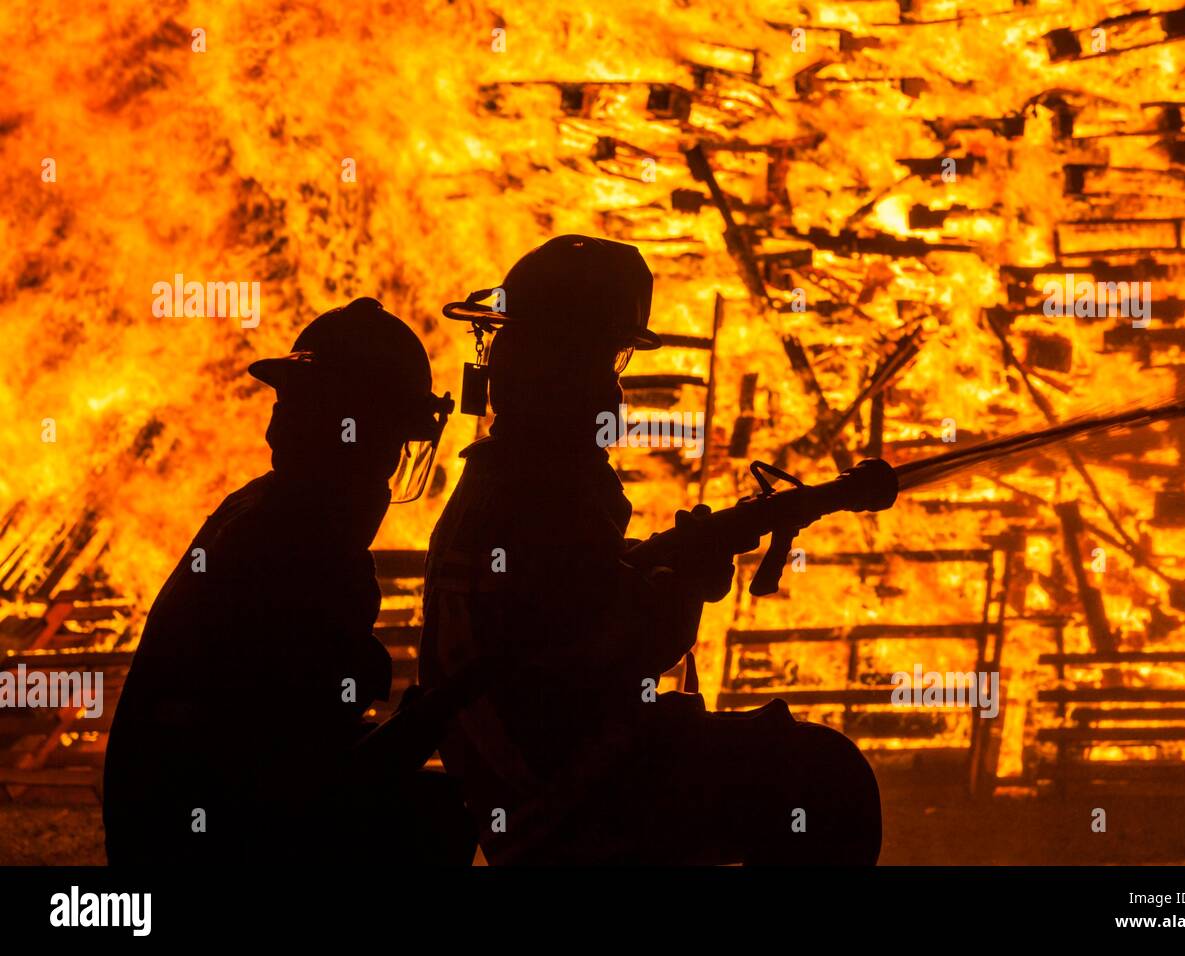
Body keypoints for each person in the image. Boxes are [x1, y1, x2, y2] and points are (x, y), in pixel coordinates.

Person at [424, 236, 883, 864]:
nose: (613, 386)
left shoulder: (501, 475)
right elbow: (613, 651)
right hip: (572, 794)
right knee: (824, 780)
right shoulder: (545, 485)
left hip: (529, 779)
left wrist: (658, 560)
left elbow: (564, 596)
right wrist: (679, 586)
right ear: (569, 363)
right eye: (607, 357)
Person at [103, 297, 473, 865]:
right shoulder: (304, 543)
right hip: (210, 845)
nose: (390, 466)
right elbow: (309, 780)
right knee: (437, 813)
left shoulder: (261, 510)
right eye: (389, 446)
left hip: (165, 826)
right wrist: (445, 707)